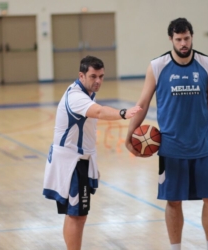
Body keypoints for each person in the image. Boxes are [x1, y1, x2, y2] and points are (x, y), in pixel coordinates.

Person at [125, 18, 208, 250]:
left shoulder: (207, 63)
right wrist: (129, 135)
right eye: (178, 39)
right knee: (173, 201)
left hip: (204, 146)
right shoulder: (157, 66)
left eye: (186, 38)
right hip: (171, 148)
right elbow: (143, 102)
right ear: (171, 39)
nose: (183, 43)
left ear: (192, 37)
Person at [42, 56, 142, 250]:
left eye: (101, 76)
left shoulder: (85, 92)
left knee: (75, 214)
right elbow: (99, 112)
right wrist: (123, 113)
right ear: (82, 75)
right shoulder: (76, 96)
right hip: (72, 162)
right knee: (78, 216)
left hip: (76, 160)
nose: (98, 81)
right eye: (93, 76)